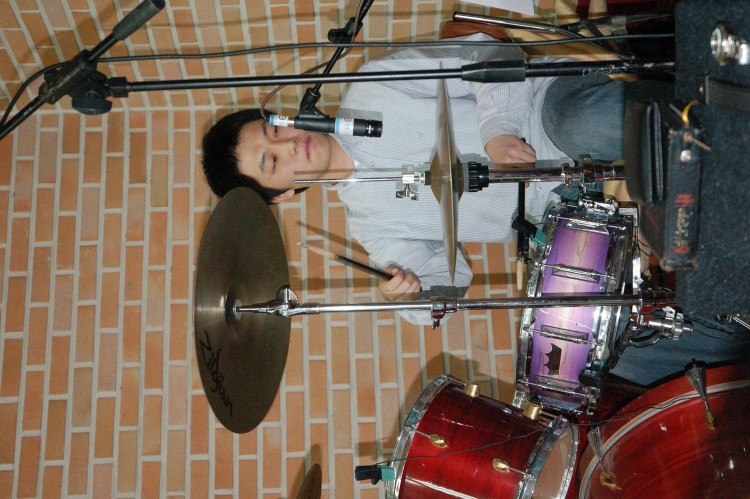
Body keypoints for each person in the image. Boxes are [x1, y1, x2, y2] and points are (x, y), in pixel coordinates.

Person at [202, 33, 671, 325]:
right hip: (565, 218)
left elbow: (491, 49)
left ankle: (701, 123)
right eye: (272, 163)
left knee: (577, 124)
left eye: (273, 130)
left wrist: (497, 131)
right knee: (612, 332)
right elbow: (451, 282)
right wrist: (410, 295)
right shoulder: (371, 227)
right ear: (283, 194)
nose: (288, 144)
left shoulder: (374, 84)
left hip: (546, 116)